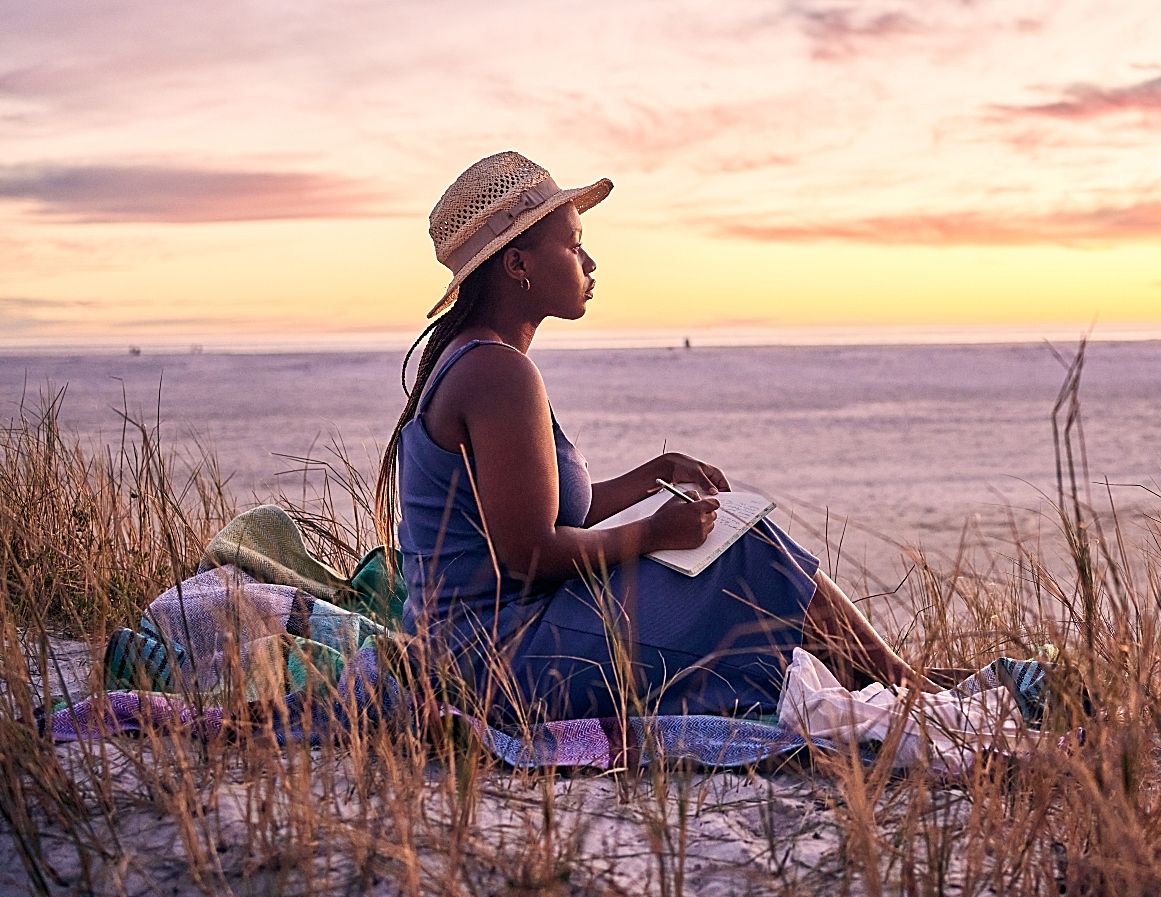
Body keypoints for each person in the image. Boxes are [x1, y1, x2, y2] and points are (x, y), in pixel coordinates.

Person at [375, 151, 927, 726]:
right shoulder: (498, 372)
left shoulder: (481, 360)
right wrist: (653, 531)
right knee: (749, 546)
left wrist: (652, 476)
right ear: (518, 264)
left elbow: (539, 516)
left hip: (486, 645)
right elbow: (530, 554)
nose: (590, 262)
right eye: (573, 244)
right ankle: (896, 683)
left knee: (738, 535)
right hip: (502, 663)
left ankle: (887, 678)